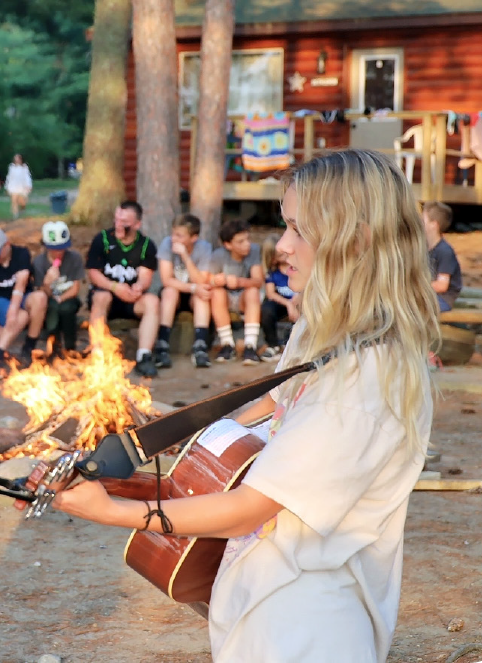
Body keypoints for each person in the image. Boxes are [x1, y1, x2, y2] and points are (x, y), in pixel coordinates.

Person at [52, 149, 438, 662]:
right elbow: (268, 409)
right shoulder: (321, 329)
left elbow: (249, 509)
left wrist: (115, 511)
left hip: (309, 629)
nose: (281, 246)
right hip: (264, 605)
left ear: (357, 240)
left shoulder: (367, 378)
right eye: (284, 226)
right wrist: (147, 459)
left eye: (298, 230)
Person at [86, 200, 160, 378]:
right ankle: (98, 355)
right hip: (106, 295)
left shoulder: (146, 245)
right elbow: (93, 273)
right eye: (116, 219)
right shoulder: (102, 239)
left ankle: (144, 356)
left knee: (152, 301)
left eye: (124, 222)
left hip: (131, 300)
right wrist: (114, 287)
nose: (118, 225)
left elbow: (145, 276)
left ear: (137, 224)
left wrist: (138, 287)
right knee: (101, 297)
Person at [155, 213, 213, 369]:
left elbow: (201, 280)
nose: (174, 238)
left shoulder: (204, 248)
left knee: (202, 296)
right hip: (175, 292)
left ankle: (200, 346)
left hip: (194, 295)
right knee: (170, 291)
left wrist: (186, 256)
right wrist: (193, 287)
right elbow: (167, 279)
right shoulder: (166, 244)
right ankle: (162, 345)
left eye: (179, 236)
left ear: (193, 238)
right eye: (173, 233)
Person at [0, 227, 36, 377]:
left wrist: (13, 309)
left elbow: (22, 282)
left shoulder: (21, 253)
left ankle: (29, 348)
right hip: (1, 302)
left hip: (21, 297)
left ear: (7, 245)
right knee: (22, 316)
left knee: (39, 298)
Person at [207, 219, 265, 365]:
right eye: (240, 241)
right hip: (226, 298)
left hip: (244, 298)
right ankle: (227, 344)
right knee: (217, 293)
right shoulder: (219, 255)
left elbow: (258, 281)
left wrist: (239, 282)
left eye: (247, 239)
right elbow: (208, 279)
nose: (247, 244)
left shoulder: (254, 251)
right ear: (228, 245)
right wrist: (216, 281)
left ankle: (250, 346)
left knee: (252, 291)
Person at [28, 220, 85, 358]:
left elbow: (75, 288)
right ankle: (54, 348)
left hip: (68, 298)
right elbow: (42, 293)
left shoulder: (74, 258)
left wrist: (60, 298)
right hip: (49, 299)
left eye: (62, 248)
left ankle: (70, 348)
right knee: (53, 309)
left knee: (66, 308)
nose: (59, 252)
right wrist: (47, 283)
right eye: (55, 249)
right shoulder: (39, 262)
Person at [259, 233, 298, 362]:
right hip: (284, 302)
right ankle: (273, 345)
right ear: (273, 259)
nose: (286, 256)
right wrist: (288, 304)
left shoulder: (297, 266)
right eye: (281, 255)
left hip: (300, 299)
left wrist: (297, 301)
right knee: (267, 309)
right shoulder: (273, 272)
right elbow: (270, 293)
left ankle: (293, 343)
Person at [421, 201, 462, 312]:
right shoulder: (424, 248)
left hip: (442, 299)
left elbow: (442, 285)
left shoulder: (445, 251)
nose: (419, 223)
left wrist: (416, 287)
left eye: (423, 220)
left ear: (434, 225)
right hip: (428, 295)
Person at [4, 153, 32, 220]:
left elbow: (27, 177)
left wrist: (29, 185)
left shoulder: (24, 167)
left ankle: (22, 210)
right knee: (14, 201)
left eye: (18, 159)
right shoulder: (11, 167)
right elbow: (9, 177)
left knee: (22, 202)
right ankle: (15, 215)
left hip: (22, 187)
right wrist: (6, 186)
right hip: (13, 186)